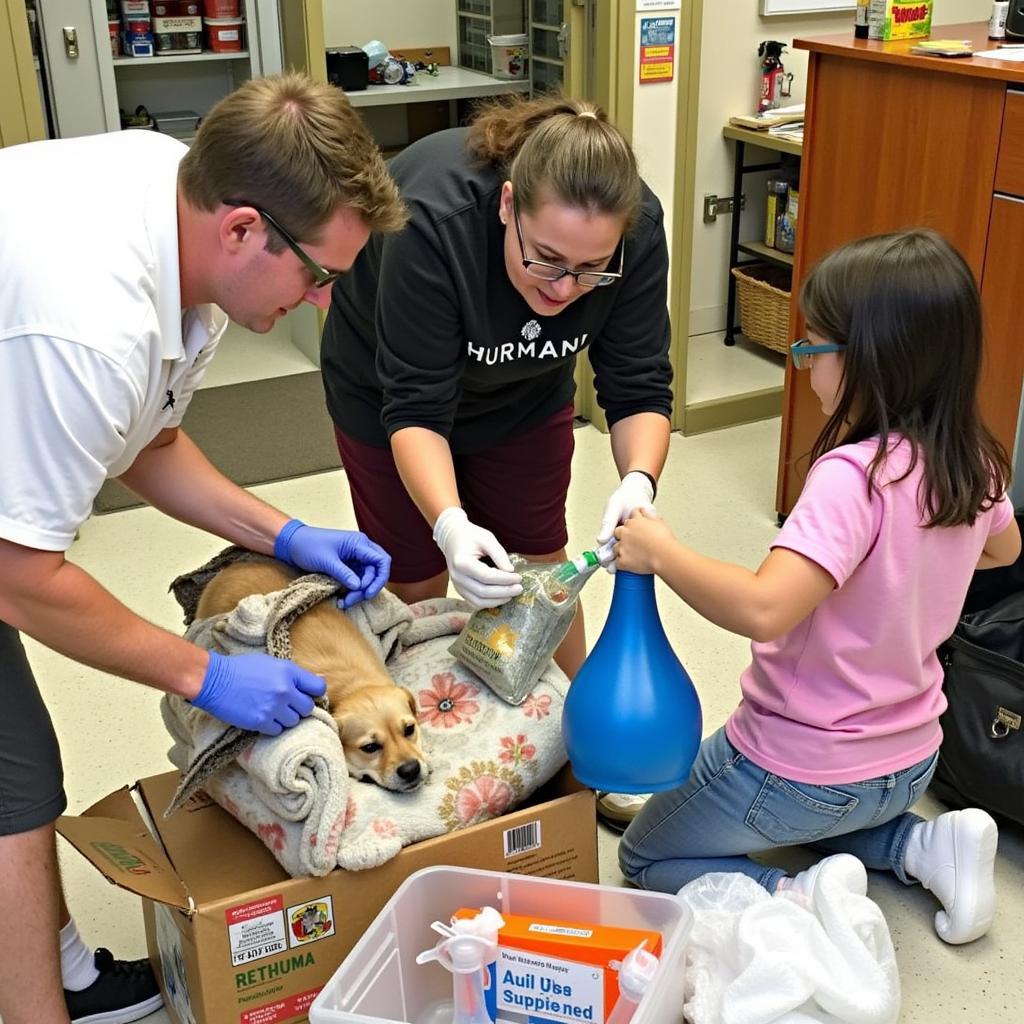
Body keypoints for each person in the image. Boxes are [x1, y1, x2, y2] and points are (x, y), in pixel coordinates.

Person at [0, 73, 406, 1024]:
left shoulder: (181, 192)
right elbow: (21, 578)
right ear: (241, 229)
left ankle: (60, 973)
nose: (319, 304)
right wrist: (202, 676)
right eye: (319, 274)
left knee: (16, 770)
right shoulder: (90, 323)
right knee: (15, 779)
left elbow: (149, 440)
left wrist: (287, 534)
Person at [613, 229, 1021, 945]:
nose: (803, 363)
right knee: (832, 814)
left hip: (797, 769)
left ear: (872, 361)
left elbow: (764, 609)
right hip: (912, 758)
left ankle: (799, 898)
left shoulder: (853, 477)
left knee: (646, 856)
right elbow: (1003, 551)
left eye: (813, 347)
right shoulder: (975, 464)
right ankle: (916, 845)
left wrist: (662, 551)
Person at [320, 94, 673, 678]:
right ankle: (432, 744)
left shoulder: (637, 231)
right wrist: (450, 525)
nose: (564, 290)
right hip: (383, 397)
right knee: (415, 579)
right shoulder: (433, 220)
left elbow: (638, 386)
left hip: (525, 398)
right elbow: (415, 408)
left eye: (591, 270)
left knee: (540, 574)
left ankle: (568, 745)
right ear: (508, 205)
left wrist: (639, 479)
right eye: (547, 259)